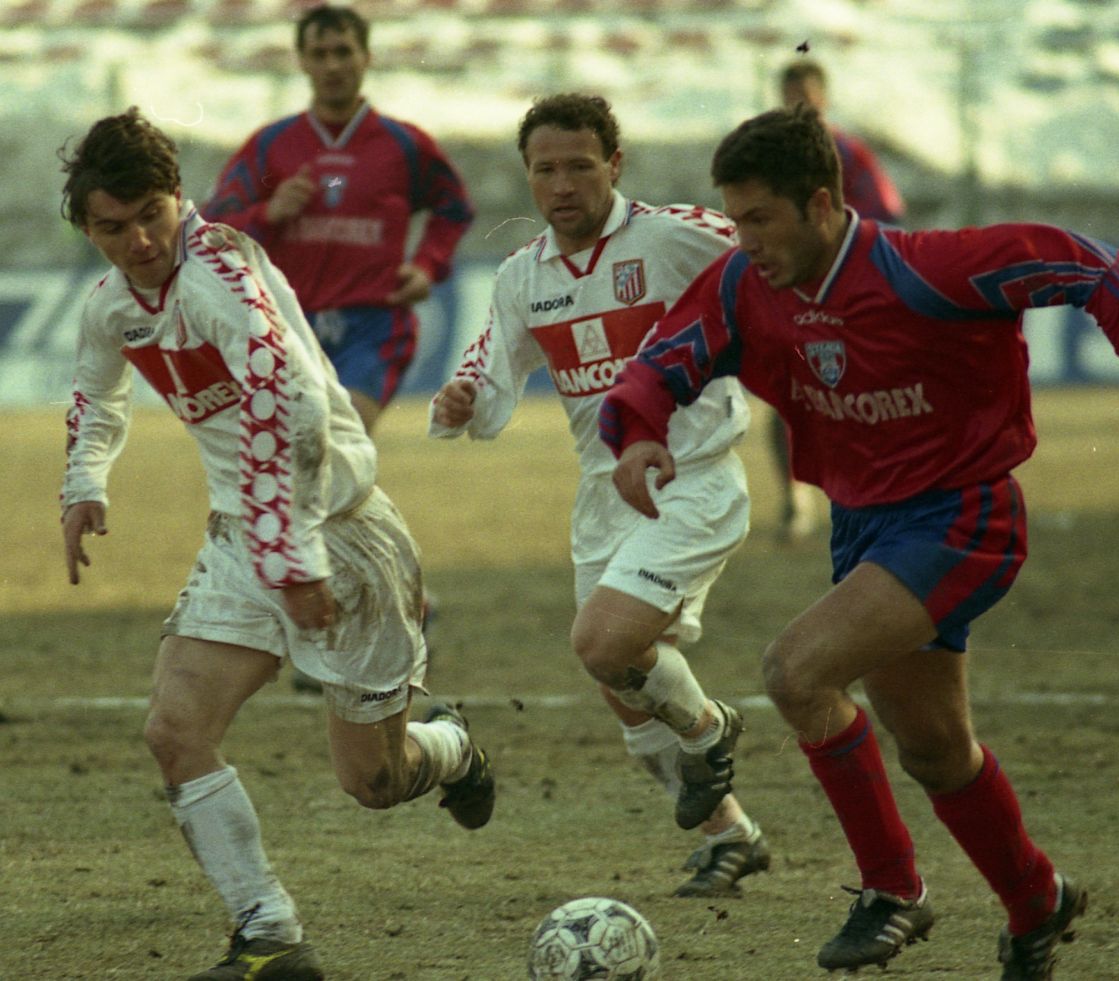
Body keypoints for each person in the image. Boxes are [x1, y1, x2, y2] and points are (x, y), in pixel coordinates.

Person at [600, 106, 1119, 978]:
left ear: (821, 203)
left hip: (962, 516)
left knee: (795, 672)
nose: (745, 239)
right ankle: (1037, 899)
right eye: (735, 219)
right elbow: (664, 359)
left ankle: (892, 890)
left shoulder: (929, 270)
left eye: (760, 218)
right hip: (866, 529)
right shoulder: (743, 286)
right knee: (935, 748)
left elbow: (1098, 266)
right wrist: (639, 432)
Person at [58, 108, 495, 981]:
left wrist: (293, 557)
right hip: (242, 537)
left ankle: (451, 748)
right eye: (111, 227)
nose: (138, 241)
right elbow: (97, 395)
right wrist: (84, 483)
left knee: (372, 782)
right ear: (88, 228)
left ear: (179, 197)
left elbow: (288, 409)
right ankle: (271, 932)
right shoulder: (112, 305)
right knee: (175, 730)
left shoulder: (221, 276)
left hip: (341, 534)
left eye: (150, 215)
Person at [429, 93, 769, 898]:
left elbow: (774, 257)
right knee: (624, 689)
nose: (561, 185)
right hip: (602, 494)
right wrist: (462, 400)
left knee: (604, 644)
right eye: (544, 169)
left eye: (580, 166)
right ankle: (731, 835)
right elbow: (489, 369)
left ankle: (711, 728)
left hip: (692, 478)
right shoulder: (523, 275)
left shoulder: (675, 235)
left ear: (615, 165)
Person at [204, 3, 472, 690]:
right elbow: (215, 226)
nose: (332, 66)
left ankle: (334, 624)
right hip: (289, 333)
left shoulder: (404, 145)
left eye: (343, 52)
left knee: (317, 450)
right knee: (324, 470)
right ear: (302, 61)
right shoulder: (270, 148)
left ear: (365, 57)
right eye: (319, 53)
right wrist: (269, 213)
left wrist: (428, 265)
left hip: (372, 327)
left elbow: (453, 208)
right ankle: (401, 605)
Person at [770, 59, 907, 543]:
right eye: (791, 98)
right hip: (789, 291)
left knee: (853, 394)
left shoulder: (847, 152)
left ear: (823, 100)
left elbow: (887, 212)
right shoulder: (767, 156)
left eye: (806, 98)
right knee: (786, 395)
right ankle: (795, 501)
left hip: (843, 292)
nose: (799, 107)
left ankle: (865, 495)